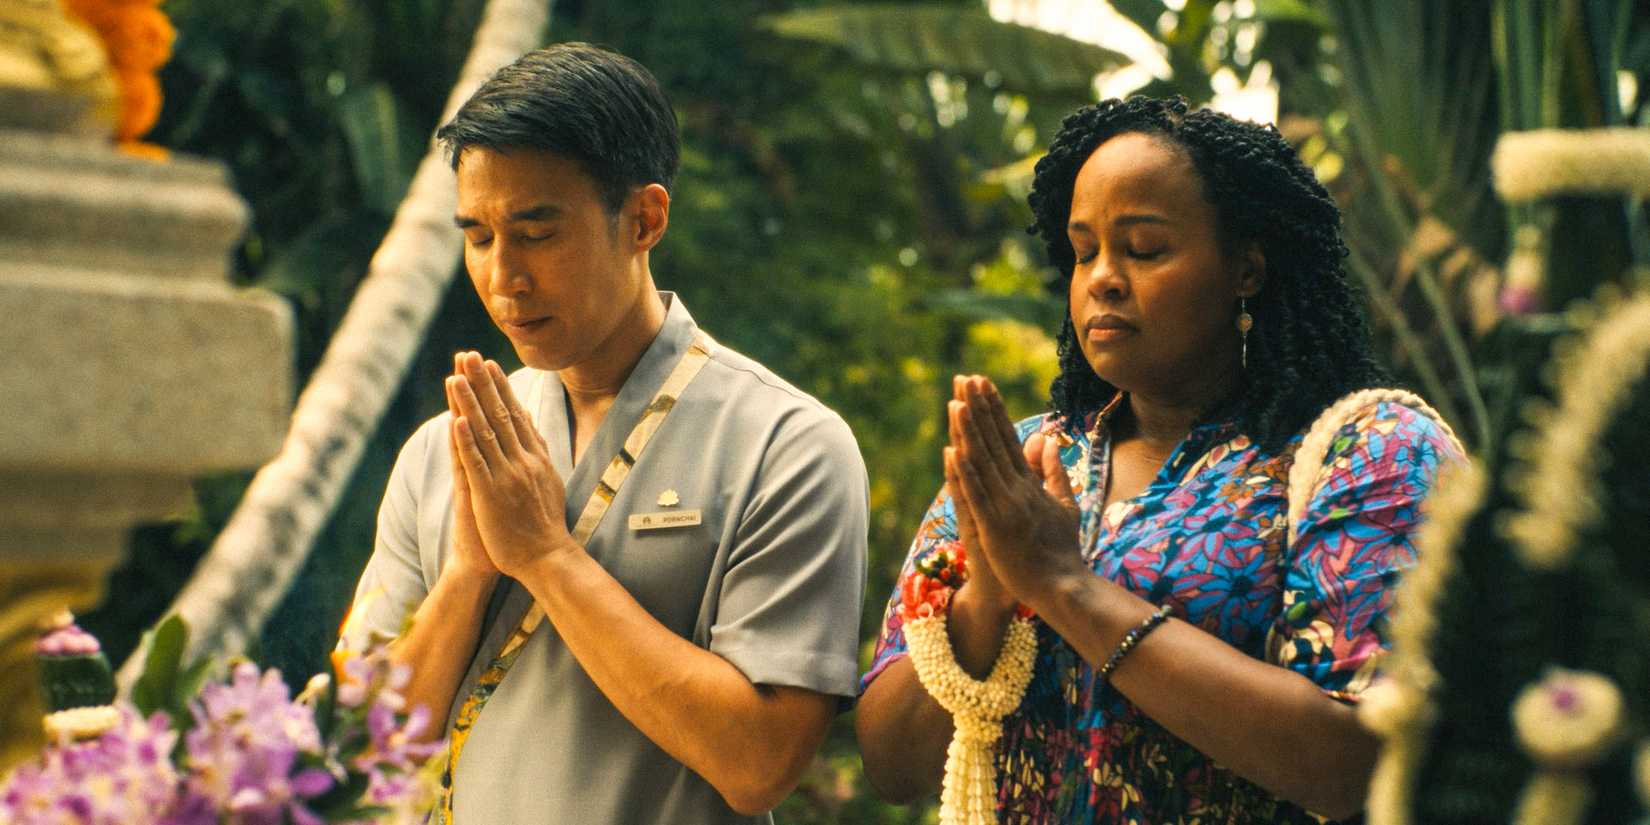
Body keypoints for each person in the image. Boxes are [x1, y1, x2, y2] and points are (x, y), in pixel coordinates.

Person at [855, 96, 1465, 823]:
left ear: (1245, 268)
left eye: (1142, 248)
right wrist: (986, 596)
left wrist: (1062, 586)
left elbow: (1362, 765)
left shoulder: (1369, 450)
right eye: (1084, 252)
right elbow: (892, 764)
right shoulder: (1022, 462)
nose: (1103, 278)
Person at [338, 43, 868, 824]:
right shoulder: (440, 451)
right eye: (479, 236)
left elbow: (759, 764)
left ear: (644, 218)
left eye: (537, 231)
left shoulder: (787, 444)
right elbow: (360, 750)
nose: (503, 277)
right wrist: (466, 575)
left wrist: (547, 558)